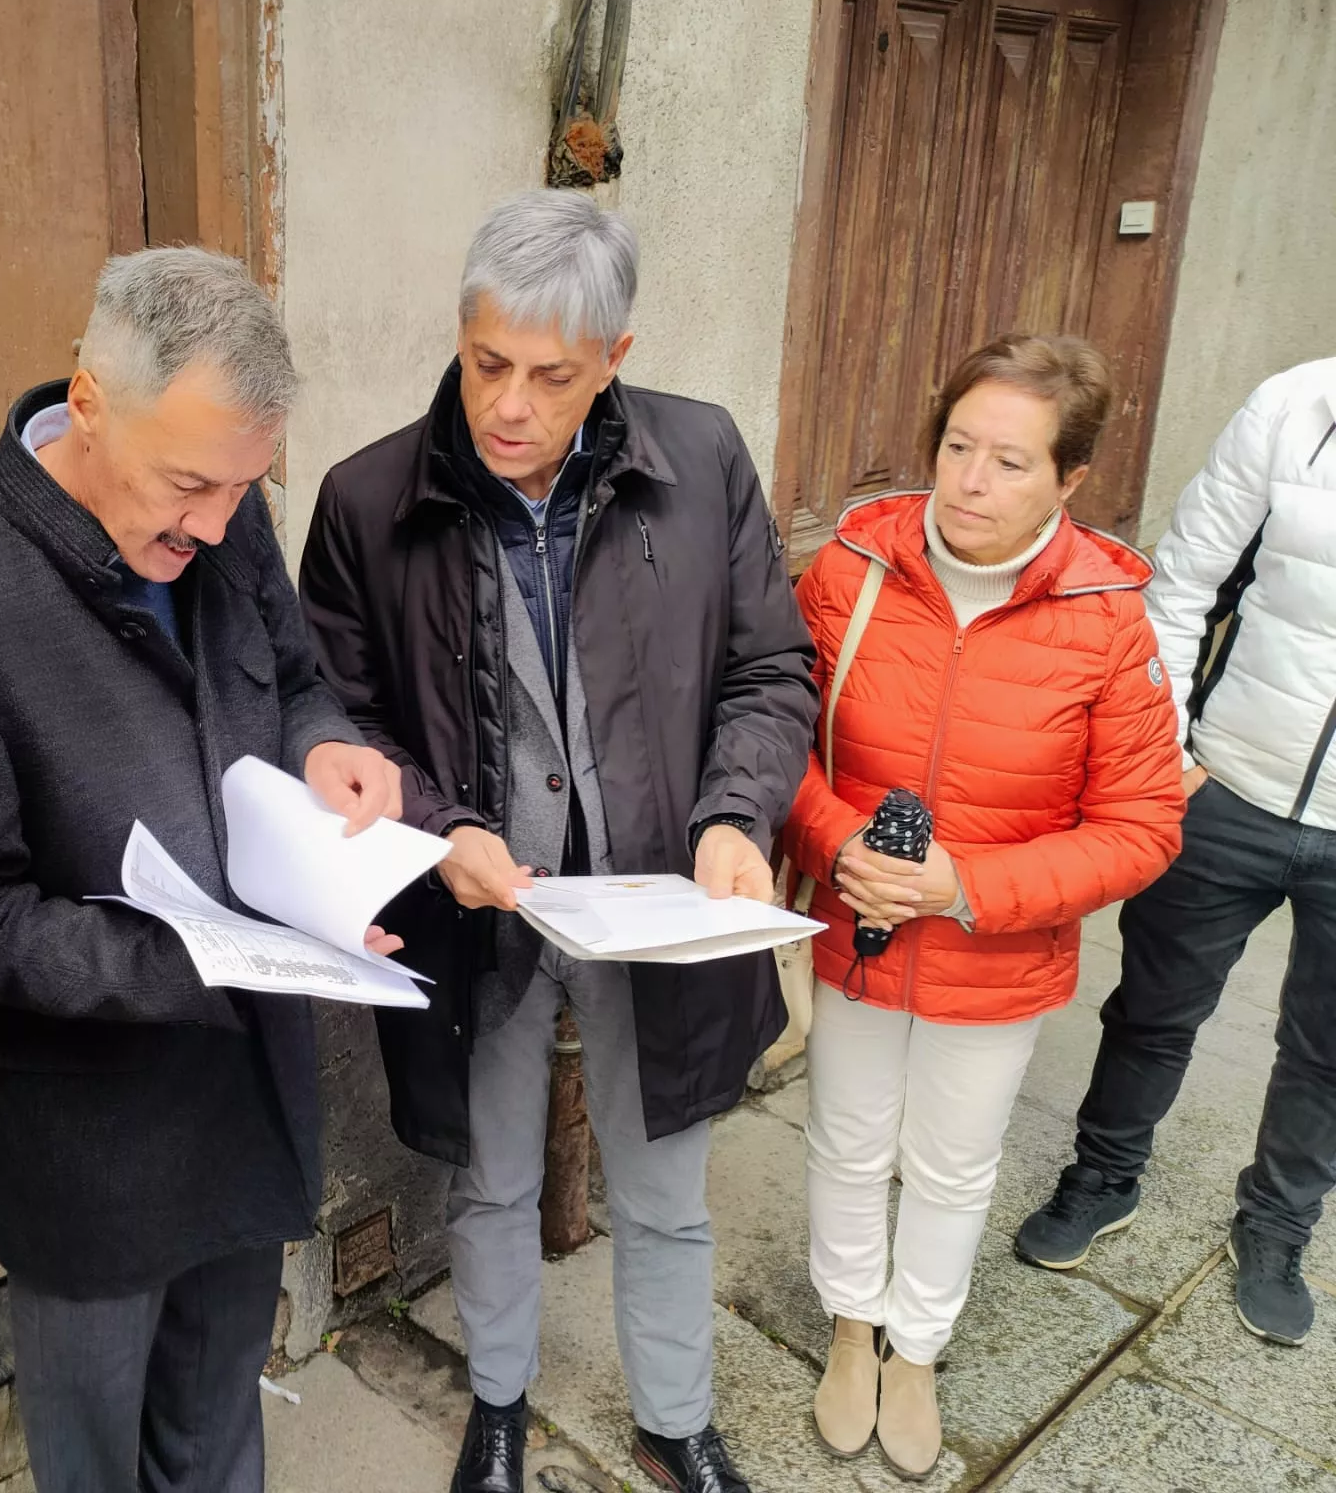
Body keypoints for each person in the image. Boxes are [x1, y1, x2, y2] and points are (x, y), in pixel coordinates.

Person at [0, 247, 401, 1493]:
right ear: (89, 404)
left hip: (245, 1095)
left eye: (242, 489)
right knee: (95, 1459)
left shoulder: (225, 511)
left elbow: (293, 678)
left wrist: (324, 747)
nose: (212, 526)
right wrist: (196, 957)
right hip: (90, 1144)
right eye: (188, 485)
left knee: (216, 1432)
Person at [299, 190, 818, 1493]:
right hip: (480, 910)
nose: (509, 406)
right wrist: (437, 828)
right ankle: (496, 1405)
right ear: (460, 331)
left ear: (615, 359)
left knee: (665, 1190)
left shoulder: (700, 459)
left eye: (552, 376)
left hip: (660, 903)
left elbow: (769, 669)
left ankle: (674, 1419)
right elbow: (334, 718)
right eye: (487, 363)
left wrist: (734, 814)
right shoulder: (367, 500)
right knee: (488, 1182)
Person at [784, 334, 1184, 1478]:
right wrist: (833, 841)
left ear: (1068, 479)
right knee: (847, 1137)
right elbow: (769, 734)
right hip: (859, 924)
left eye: (1009, 463)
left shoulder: (1107, 619)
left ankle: (915, 1346)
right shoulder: (849, 571)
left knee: (953, 1161)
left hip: (996, 952)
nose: (969, 481)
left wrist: (965, 888)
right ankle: (850, 1327)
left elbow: (1141, 825)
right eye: (957, 446)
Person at [1016, 355, 1336, 1346]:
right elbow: (1185, 582)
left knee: (1326, 1051)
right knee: (1153, 1009)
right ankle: (1102, 1175)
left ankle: (1276, 1225)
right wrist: (1171, 748)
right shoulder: (1295, 405)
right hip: (1227, 784)